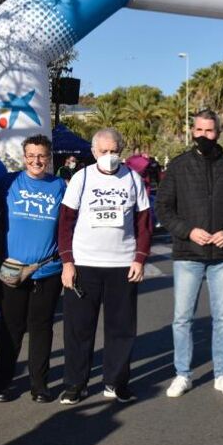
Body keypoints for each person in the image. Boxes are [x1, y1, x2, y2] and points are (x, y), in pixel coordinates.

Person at [156, 110, 223, 399]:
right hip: (188, 253)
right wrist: (188, 231)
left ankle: (222, 374)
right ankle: (182, 374)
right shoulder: (178, 166)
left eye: (209, 131)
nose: (203, 136)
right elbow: (164, 208)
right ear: (192, 132)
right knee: (182, 319)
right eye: (199, 130)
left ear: (218, 133)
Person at [58, 128, 152, 405]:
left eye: (114, 151)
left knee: (121, 329)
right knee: (78, 328)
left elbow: (144, 223)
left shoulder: (133, 179)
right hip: (85, 264)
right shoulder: (82, 177)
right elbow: (65, 222)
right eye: (103, 151)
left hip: (122, 265)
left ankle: (116, 382)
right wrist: (67, 262)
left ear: (121, 152)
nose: (109, 156)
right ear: (93, 152)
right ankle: (75, 384)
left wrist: (140, 259)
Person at [0, 135, 66, 404]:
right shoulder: (8, 183)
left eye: (41, 155)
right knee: (10, 328)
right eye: (31, 155)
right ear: (24, 157)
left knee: (41, 328)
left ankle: (39, 385)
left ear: (49, 157)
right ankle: (1, 385)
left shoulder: (60, 186)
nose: (36, 160)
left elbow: (68, 226)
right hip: (12, 270)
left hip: (48, 269)